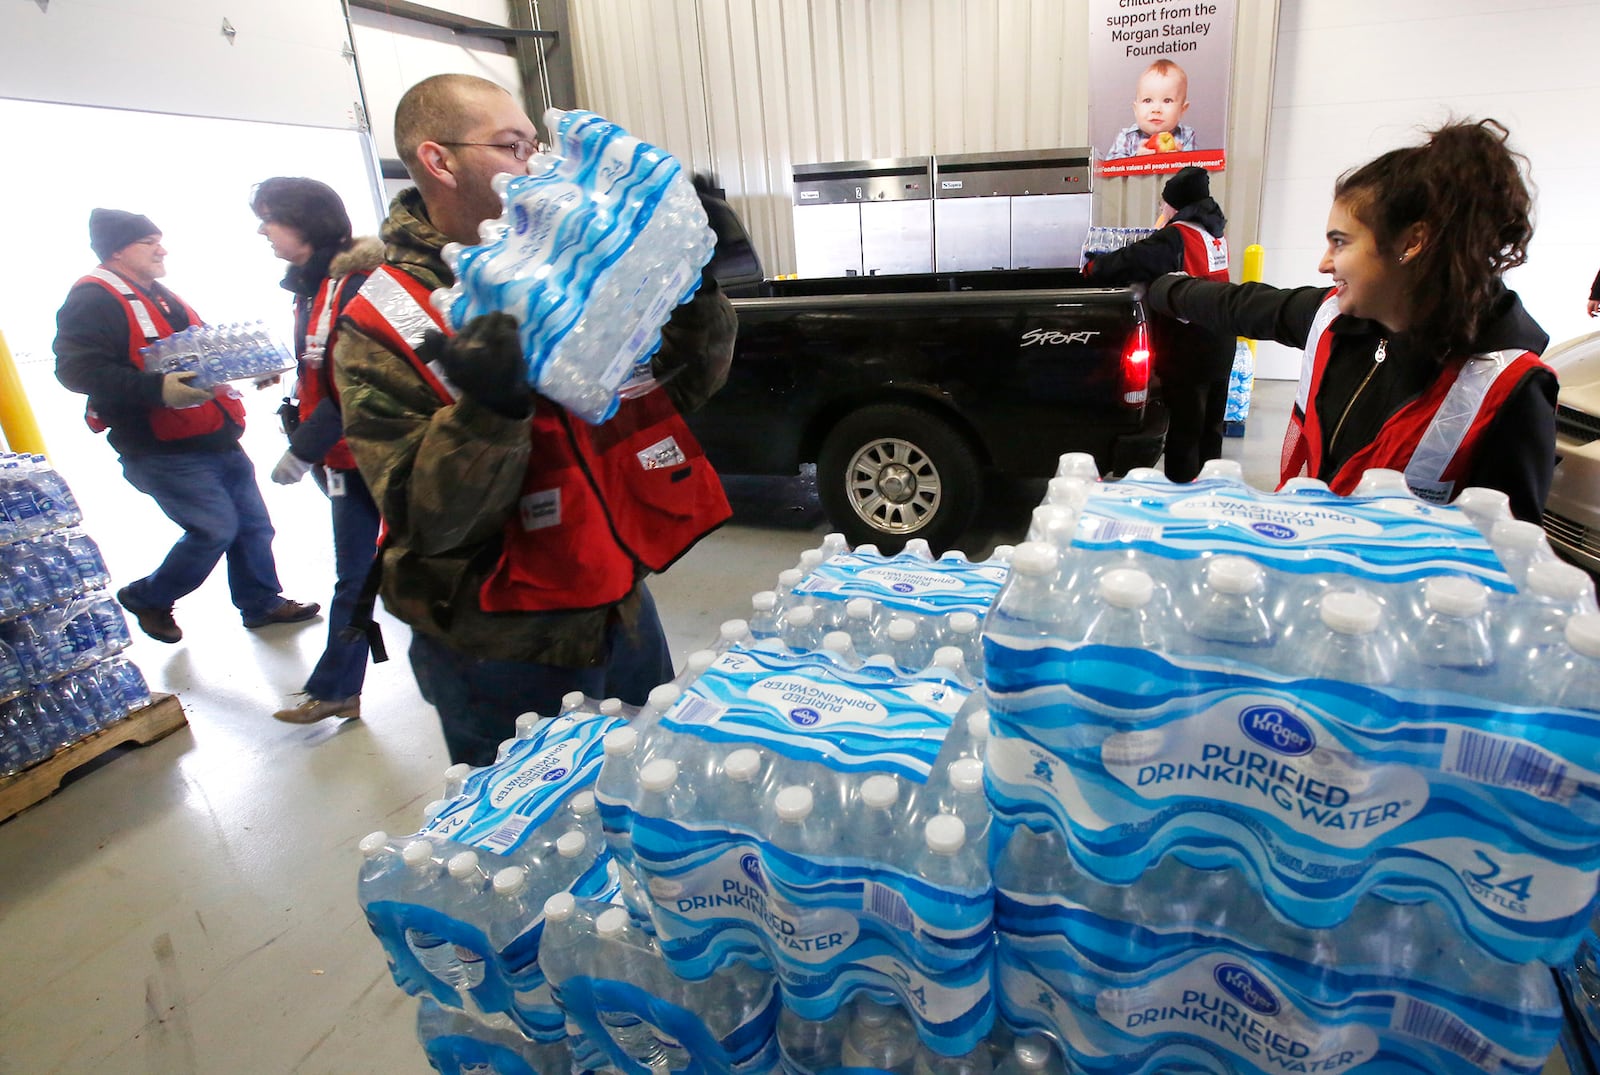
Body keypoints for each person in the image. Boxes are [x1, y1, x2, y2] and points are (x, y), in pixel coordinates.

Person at [332, 74, 737, 766]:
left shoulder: (567, 267)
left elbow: (685, 383)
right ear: (439, 160)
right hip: (500, 647)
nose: (535, 165)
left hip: (618, 602)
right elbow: (426, 518)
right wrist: (489, 410)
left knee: (649, 794)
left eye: (536, 146)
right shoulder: (385, 315)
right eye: (513, 146)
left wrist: (694, 287)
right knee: (539, 840)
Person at [1146, 119, 1557, 522]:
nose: (1324, 263)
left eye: (1340, 242)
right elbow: (1238, 304)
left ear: (1411, 242)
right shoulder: (1336, 320)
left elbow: (1507, 559)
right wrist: (1157, 286)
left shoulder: (1507, 390)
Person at [54, 209, 320, 643]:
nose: (162, 249)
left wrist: (247, 369)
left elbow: (195, 354)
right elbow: (76, 371)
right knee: (214, 528)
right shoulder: (93, 299)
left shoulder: (160, 295)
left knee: (254, 526)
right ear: (118, 249)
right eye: (148, 242)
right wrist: (157, 389)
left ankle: (261, 603)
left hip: (214, 434)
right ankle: (149, 596)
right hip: (161, 448)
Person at [251, 178, 385, 724]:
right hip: (342, 461)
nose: (262, 231)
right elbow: (320, 365)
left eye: (269, 218)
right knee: (354, 574)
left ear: (304, 222)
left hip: (382, 455)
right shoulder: (312, 288)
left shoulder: (361, 285)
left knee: (436, 565)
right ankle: (336, 688)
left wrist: (303, 447)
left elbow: (358, 381)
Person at [1084, 166, 1233, 482]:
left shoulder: (1176, 236)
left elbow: (1130, 260)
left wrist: (1093, 266)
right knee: (1210, 426)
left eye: (1164, 203)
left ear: (1176, 204)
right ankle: (1211, 487)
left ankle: (1182, 496)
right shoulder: (1215, 234)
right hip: (1220, 338)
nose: (1161, 209)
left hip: (1190, 343)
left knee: (1185, 428)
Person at [1104, 60, 1198, 160]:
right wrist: (1136, 160)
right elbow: (1110, 169)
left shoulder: (1187, 135)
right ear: (1136, 109)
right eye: (1147, 100)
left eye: (1167, 100)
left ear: (1182, 109)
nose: (1156, 109)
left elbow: (1195, 172)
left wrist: (1180, 159)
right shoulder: (1127, 137)